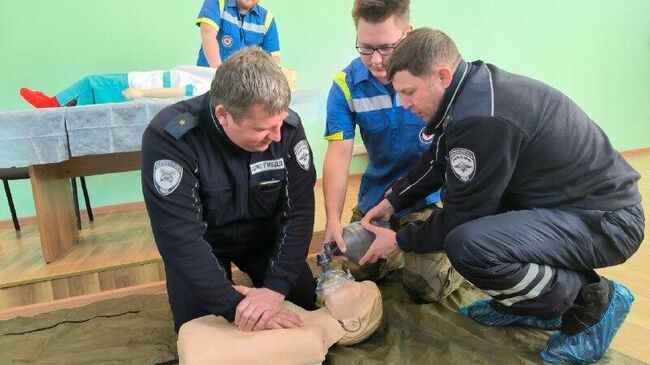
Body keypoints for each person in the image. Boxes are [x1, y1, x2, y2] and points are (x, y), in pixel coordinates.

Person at [360, 27, 644, 363]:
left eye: (409, 92)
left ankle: (590, 300)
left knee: (468, 244)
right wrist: (392, 199)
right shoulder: (470, 91)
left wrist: (401, 241)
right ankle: (534, 303)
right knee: (477, 226)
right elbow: (438, 160)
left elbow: (463, 214)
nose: (405, 104)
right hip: (569, 206)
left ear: (442, 75)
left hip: (607, 221)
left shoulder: (480, 118)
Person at [141, 48, 317, 332]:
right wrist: (233, 307)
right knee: (201, 326)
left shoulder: (285, 127)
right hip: (203, 243)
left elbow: (299, 211)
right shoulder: (170, 138)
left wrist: (276, 287)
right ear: (223, 115)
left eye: (279, 124)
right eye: (262, 129)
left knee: (302, 301)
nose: (276, 137)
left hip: (262, 237)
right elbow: (180, 237)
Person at [322, 0, 463, 302]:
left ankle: (448, 248)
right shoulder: (345, 85)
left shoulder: (434, 80)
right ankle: (398, 247)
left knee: (425, 288)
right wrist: (332, 220)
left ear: (407, 35)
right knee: (353, 269)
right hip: (379, 199)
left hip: (429, 200)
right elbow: (339, 153)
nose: (375, 60)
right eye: (365, 47)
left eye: (386, 48)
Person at [177, 279, 383, 364]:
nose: (347, 280)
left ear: (352, 323)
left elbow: (201, 358)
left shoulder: (311, 341)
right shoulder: (295, 311)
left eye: (355, 288)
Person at [19, 66, 217, 108]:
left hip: (141, 86)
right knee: (93, 84)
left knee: (91, 83)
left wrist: (141, 92)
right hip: (141, 79)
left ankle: (53, 104)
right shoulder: (219, 75)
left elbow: (182, 92)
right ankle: (58, 101)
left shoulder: (213, 87)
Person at [196, 0, 280, 68]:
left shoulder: (267, 19)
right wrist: (219, 74)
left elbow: (273, 62)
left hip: (244, 84)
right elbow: (207, 34)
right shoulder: (217, 2)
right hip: (210, 78)